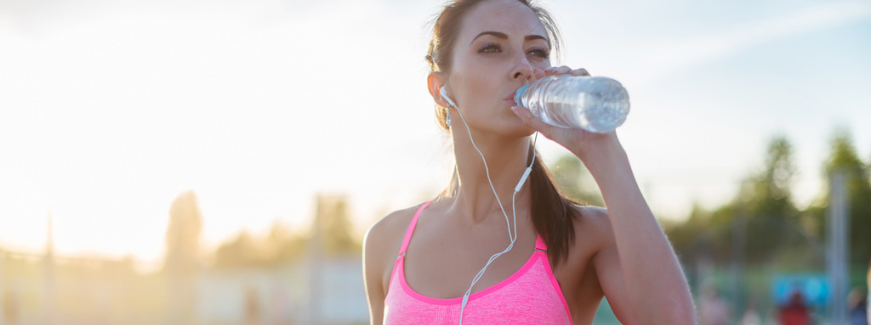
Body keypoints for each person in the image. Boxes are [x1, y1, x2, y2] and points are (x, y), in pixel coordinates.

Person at [362, 0, 694, 324]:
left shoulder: (587, 236)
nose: (524, 66)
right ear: (440, 88)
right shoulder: (387, 239)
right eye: (491, 48)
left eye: (536, 51)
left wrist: (604, 151)